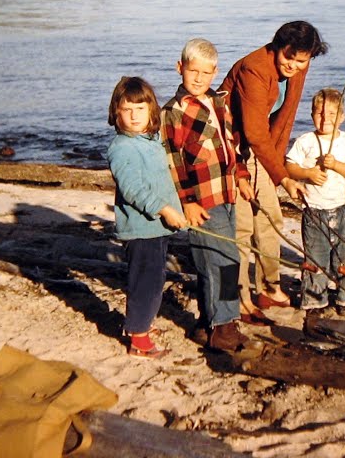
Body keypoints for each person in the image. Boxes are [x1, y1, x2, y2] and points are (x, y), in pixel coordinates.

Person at [219, 21, 329, 314]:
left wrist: (274, 168)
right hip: (231, 149)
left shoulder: (299, 67)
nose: (293, 65)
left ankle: (269, 287)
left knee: (270, 220)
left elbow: (285, 119)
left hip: (262, 151)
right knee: (241, 227)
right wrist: (284, 177)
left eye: (301, 60)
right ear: (278, 46)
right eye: (287, 57)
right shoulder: (254, 69)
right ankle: (238, 298)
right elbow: (253, 132)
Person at [161, 38, 253, 352]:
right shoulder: (173, 112)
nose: (199, 78)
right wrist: (186, 201)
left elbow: (232, 146)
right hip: (201, 200)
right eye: (192, 71)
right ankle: (224, 328)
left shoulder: (219, 103)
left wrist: (241, 176)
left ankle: (207, 323)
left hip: (226, 192)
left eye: (206, 72)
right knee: (223, 260)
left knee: (217, 260)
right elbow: (172, 162)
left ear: (215, 72)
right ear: (179, 68)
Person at [105, 76, 189, 359]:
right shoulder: (121, 147)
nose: (134, 116)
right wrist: (165, 209)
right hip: (142, 229)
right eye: (127, 110)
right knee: (145, 281)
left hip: (158, 227)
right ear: (116, 112)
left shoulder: (151, 138)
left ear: (151, 111)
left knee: (156, 278)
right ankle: (138, 337)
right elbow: (133, 189)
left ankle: (142, 324)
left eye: (140, 109)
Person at [284, 88, 345, 317]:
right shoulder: (305, 141)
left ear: (342, 117)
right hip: (314, 212)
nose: (325, 118)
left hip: (344, 209)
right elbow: (290, 166)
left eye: (331, 113)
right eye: (319, 113)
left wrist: (337, 165)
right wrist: (308, 173)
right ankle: (314, 300)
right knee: (315, 258)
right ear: (311, 115)